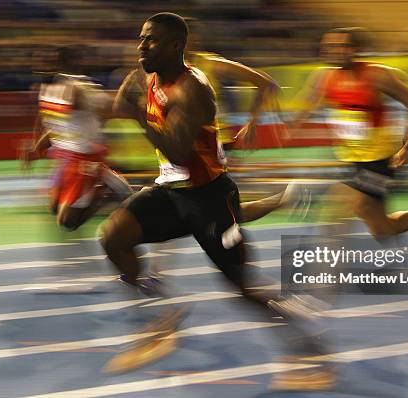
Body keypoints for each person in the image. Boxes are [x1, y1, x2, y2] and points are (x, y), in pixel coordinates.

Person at [101, 13, 332, 389]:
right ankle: (161, 314)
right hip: (170, 190)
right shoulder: (144, 76)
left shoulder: (193, 89)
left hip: (209, 196)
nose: (142, 47)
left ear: (176, 46)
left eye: (152, 41)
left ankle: (312, 351)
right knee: (113, 237)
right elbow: (120, 101)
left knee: (243, 288)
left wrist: (139, 117)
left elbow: (176, 149)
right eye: (141, 39)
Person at [288, 27, 408, 238]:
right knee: (385, 230)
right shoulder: (324, 78)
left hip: (382, 161)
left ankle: (329, 270)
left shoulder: (376, 76)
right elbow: (305, 106)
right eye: (329, 47)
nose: (334, 51)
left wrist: (407, 146)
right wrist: (291, 124)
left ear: (354, 49)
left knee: (335, 212)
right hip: (351, 161)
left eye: (340, 46)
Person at [21, 46, 134, 231]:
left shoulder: (78, 88)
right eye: (40, 62)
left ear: (62, 65)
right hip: (64, 155)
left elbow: (108, 108)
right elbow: (51, 123)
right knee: (53, 208)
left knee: (68, 222)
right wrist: (36, 148)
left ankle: (107, 191)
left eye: (49, 62)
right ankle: (101, 186)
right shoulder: (46, 88)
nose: (43, 67)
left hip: (84, 156)